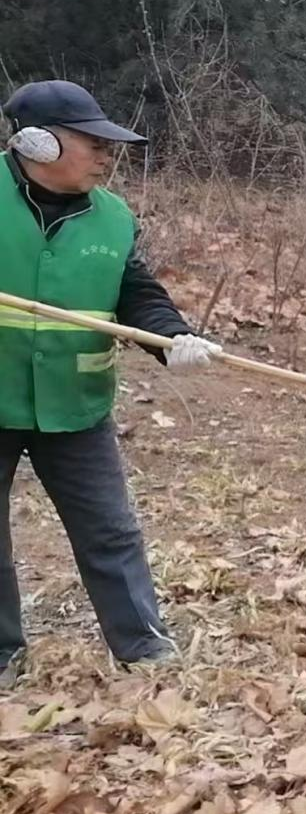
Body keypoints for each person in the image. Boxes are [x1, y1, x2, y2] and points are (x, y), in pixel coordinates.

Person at [0, 79, 222, 687]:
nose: (107, 157)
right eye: (93, 144)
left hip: (74, 404)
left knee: (109, 529)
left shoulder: (115, 218)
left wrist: (174, 337)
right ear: (37, 143)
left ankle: (143, 645)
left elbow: (136, 293)